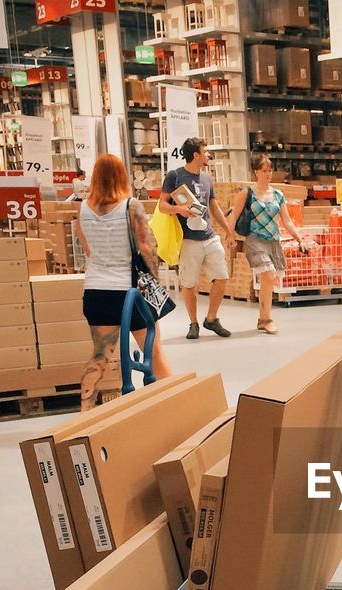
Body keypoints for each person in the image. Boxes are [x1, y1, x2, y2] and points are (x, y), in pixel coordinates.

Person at [74, 153, 173, 412]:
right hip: (129, 293)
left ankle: (84, 411)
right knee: (152, 349)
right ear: (122, 176)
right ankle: (173, 402)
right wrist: (154, 281)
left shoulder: (82, 208)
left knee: (100, 355)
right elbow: (146, 248)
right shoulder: (131, 206)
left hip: (96, 292)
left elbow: (87, 250)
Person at [227, 153, 315, 335]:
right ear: (256, 172)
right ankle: (266, 319)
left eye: (270, 170)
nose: (268, 174)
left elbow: (287, 221)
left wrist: (299, 239)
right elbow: (233, 215)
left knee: (270, 278)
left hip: (273, 240)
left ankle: (262, 318)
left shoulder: (277, 195)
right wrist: (230, 236)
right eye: (264, 171)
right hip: (254, 240)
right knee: (268, 274)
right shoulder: (247, 193)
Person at [159, 138, 236, 339]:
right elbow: (162, 206)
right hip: (187, 239)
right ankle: (193, 323)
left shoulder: (206, 178)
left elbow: (214, 206)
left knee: (222, 276)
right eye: (205, 151)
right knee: (189, 283)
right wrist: (180, 210)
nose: (208, 155)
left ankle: (211, 318)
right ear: (196, 155)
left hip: (209, 236)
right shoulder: (175, 176)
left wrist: (228, 231)